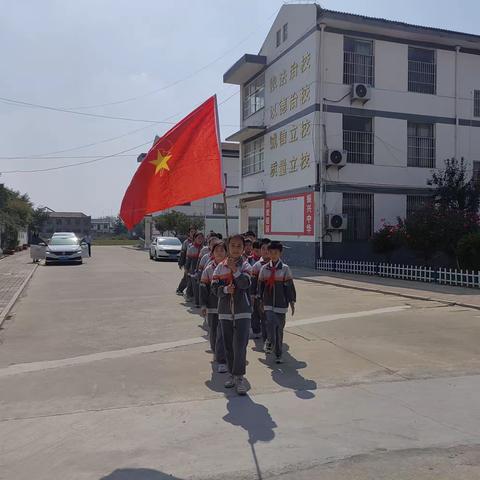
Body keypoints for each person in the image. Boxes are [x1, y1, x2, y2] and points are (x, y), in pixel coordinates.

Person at [212, 234, 252, 396]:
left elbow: (246, 284)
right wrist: (225, 290)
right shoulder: (219, 267)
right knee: (228, 345)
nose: (235, 249)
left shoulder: (247, 266)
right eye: (233, 245)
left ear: (243, 249)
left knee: (240, 346)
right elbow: (214, 289)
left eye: (239, 246)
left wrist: (235, 271)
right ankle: (230, 374)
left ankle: (239, 377)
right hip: (225, 312)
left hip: (243, 312)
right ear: (228, 247)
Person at [258, 241, 296, 364]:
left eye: (276, 253)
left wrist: (291, 301)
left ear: (280, 253)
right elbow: (261, 286)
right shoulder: (264, 269)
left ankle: (279, 354)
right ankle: (268, 345)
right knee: (269, 325)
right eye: (271, 252)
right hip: (268, 303)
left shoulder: (285, 269)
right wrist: (260, 300)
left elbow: (289, 286)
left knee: (279, 330)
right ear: (268, 253)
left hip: (281, 304)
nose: (273, 255)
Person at [200, 241, 228, 374]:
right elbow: (203, 287)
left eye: (222, 250)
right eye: (217, 251)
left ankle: (222, 357)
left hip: (227, 307)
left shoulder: (230, 268)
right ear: (212, 253)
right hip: (212, 306)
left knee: (224, 333)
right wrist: (204, 305)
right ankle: (217, 354)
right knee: (214, 331)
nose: (219, 253)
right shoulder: (208, 269)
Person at [250, 238, 271, 341]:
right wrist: (252, 295)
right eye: (263, 248)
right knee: (260, 317)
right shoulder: (257, 266)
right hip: (260, 297)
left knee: (270, 319)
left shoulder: (276, 264)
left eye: (268, 248)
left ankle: (269, 337)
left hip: (272, 297)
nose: (266, 251)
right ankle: (260, 334)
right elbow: (253, 283)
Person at [185, 232, 205, 306]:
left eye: (201, 238)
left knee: (201, 286)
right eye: (198, 238)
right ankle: (197, 302)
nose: (200, 240)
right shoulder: (191, 248)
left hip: (202, 270)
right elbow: (188, 260)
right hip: (193, 269)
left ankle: (200, 300)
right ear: (195, 239)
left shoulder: (204, 248)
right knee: (195, 286)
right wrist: (186, 269)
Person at [176, 227, 196, 296]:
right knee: (186, 277)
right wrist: (181, 263)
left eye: (194, 231)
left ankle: (191, 293)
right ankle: (179, 289)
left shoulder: (198, 240)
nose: (193, 233)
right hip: (187, 262)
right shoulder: (186, 242)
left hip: (195, 263)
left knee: (193, 278)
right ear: (189, 233)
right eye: (191, 232)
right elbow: (183, 253)